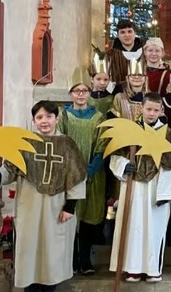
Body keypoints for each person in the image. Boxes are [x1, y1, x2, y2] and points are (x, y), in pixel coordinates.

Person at [0, 100, 84, 292]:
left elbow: (76, 178)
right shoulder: (24, 143)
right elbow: (9, 170)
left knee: (53, 249)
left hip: (56, 207)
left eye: (48, 116)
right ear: (33, 121)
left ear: (57, 119)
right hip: (30, 205)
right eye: (39, 117)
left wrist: (71, 206)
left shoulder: (67, 145)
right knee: (30, 248)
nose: (44, 121)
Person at [110, 93, 171, 284]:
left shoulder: (166, 133)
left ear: (161, 111)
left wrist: (165, 192)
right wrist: (124, 165)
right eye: (149, 109)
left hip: (155, 186)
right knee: (133, 227)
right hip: (133, 186)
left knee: (154, 229)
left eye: (156, 110)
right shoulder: (130, 131)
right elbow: (116, 155)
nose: (152, 113)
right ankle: (132, 268)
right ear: (141, 108)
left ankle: (152, 268)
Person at [61, 79, 106, 276]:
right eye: (76, 91)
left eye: (84, 90)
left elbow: (102, 144)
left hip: (91, 175)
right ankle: (70, 260)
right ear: (71, 94)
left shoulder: (98, 117)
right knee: (69, 217)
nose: (80, 94)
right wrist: (71, 170)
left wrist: (89, 170)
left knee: (88, 219)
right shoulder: (63, 116)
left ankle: (85, 260)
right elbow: (60, 142)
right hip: (68, 175)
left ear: (89, 94)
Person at [105, 19, 144, 86]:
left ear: (135, 33)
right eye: (122, 32)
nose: (127, 35)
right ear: (118, 35)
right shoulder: (110, 55)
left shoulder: (144, 52)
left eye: (129, 31)